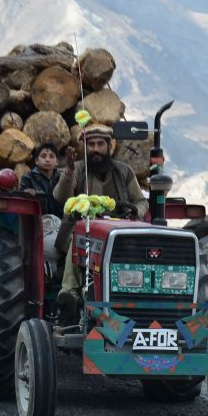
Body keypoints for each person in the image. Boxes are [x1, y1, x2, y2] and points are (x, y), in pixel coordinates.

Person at [53, 124, 148, 320]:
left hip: (118, 233)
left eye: (100, 144)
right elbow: (61, 197)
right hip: (80, 230)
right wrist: (69, 171)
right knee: (78, 239)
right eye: (91, 144)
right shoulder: (77, 169)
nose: (96, 149)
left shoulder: (124, 172)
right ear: (85, 148)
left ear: (109, 147)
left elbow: (141, 201)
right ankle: (69, 294)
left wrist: (136, 211)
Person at [19, 142, 63, 219]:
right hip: (35, 223)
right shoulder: (28, 178)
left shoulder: (62, 179)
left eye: (51, 156)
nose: (47, 160)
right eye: (43, 156)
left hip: (60, 223)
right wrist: (26, 193)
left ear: (57, 162)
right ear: (36, 161)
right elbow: (21, 199)